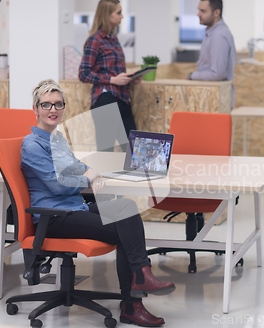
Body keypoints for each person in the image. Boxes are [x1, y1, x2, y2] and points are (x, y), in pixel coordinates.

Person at [21, 79, 175, 327]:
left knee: (126, 208)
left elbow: (75, 165)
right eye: (46, 105)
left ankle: (141, 277)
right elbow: (56, 185)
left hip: (74, 207)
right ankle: (133, 303)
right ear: (35, 109)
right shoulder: (32, 145)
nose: (53, 110)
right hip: (54, 216)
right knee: (126, 230)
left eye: (58, 104)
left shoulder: (57, 139)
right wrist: (86, 177)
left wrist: (90, 170)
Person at [78, 0, 141, 151]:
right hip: (105, 99)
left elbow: (114, 71)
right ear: (107, 15)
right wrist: (112, 79)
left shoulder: (114, 39)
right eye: (118, 13)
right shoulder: (95, 40)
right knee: (106, 152)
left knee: (135, 152)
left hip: (123, 99)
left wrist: (130, 78)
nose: (122, 16)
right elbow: (83, 73)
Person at [186, 0, 236, 108]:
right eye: (199, 10)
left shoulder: (219, 36)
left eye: (203, 11)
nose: (198, 14)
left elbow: (217, 74)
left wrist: (192, 76)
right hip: (212, 99)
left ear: (216, 13)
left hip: (217, 101)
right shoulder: (211, 32)